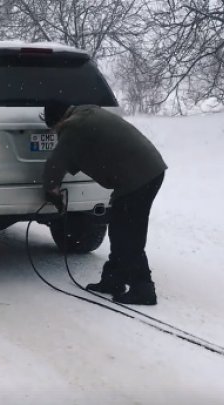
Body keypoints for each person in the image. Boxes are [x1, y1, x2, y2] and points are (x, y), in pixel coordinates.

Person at [42, 101, 167, 305]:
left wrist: (51, 190)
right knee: (120, 228)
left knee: (128, 232)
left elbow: (56, 162)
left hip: (138, 177)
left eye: (55, 128)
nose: (57, 132)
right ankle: (113, 280)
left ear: (60, 120)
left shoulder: (73, 126)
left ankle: (143, 288)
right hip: (147, 170)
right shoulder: (88, 114)